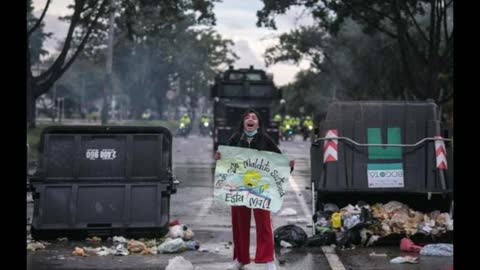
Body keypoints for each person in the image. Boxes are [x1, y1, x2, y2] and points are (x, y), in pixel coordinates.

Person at [214, 109, 295, 270]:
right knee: (239, 224)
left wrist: (288, 166)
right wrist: (219, 158)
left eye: (254, 118)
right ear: (243, 122)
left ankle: (268, 261)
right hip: (238, 188)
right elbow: (225, 161)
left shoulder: (265, 139)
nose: (250, 119)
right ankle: (240, 259)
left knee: (264, 224)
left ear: (258, 123)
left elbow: (278, 160)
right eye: (247, 117)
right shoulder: (236, 138)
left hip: (261, 188)